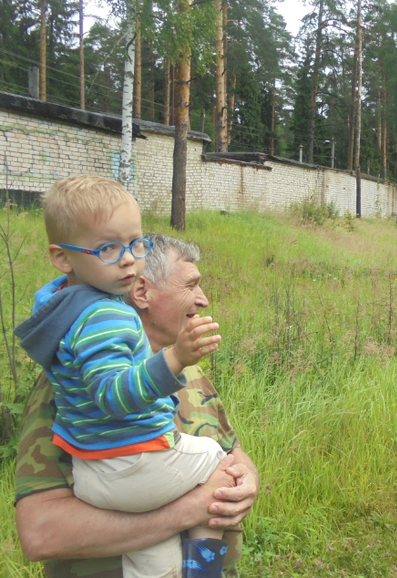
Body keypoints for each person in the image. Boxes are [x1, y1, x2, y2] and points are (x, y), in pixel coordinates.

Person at [14, 175, 233, 578]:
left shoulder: (186, 368)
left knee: (161, 567)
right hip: (125, 472)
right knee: (218, 463)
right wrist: (174, 358)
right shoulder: (105, 319)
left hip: (114, 477)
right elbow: (113, 396)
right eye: (108, 248)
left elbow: (235, 447)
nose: (129, 259)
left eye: (136, 244)